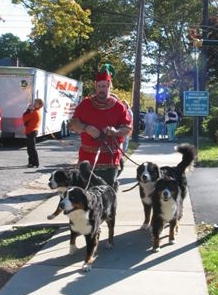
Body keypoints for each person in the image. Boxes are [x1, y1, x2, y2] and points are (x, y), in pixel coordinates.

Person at [68, 64, 132, 189]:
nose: (102, 89)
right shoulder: (85, 104)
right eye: (99, 86)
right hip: (86, 160)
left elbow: (127, 129)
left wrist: (115, 131)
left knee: (107, 194)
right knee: (85, 194)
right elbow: (73, 124)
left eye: (104, 86)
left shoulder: (119, 107)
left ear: (109, 86)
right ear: (95, 86)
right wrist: (86, 128)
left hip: (110, 159)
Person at [22, 98, 44, 168]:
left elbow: (24, 118)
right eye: (34, 102)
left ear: (40, 105)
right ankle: (32, 163)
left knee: (31, 148)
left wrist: (28, 110)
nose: (34, 104)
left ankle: (34, 163)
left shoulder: (35, 112)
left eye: (36, 103)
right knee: (30, 148)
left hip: (31, 131)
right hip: (32, 131)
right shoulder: (36, 111)